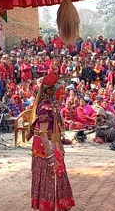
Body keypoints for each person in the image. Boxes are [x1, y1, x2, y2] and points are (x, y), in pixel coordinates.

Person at [30, 73, 75, 211]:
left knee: (58, 172)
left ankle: (59, 203)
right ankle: (47, 205)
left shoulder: (54, 105)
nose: (63, 93)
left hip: (53, 143)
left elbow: (57, 130)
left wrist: (60, 145)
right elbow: (43, 133)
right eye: (59, 89)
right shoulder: (45, 107)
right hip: (44, 146)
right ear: (50, 90)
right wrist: (49, 155)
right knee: (49, 174)